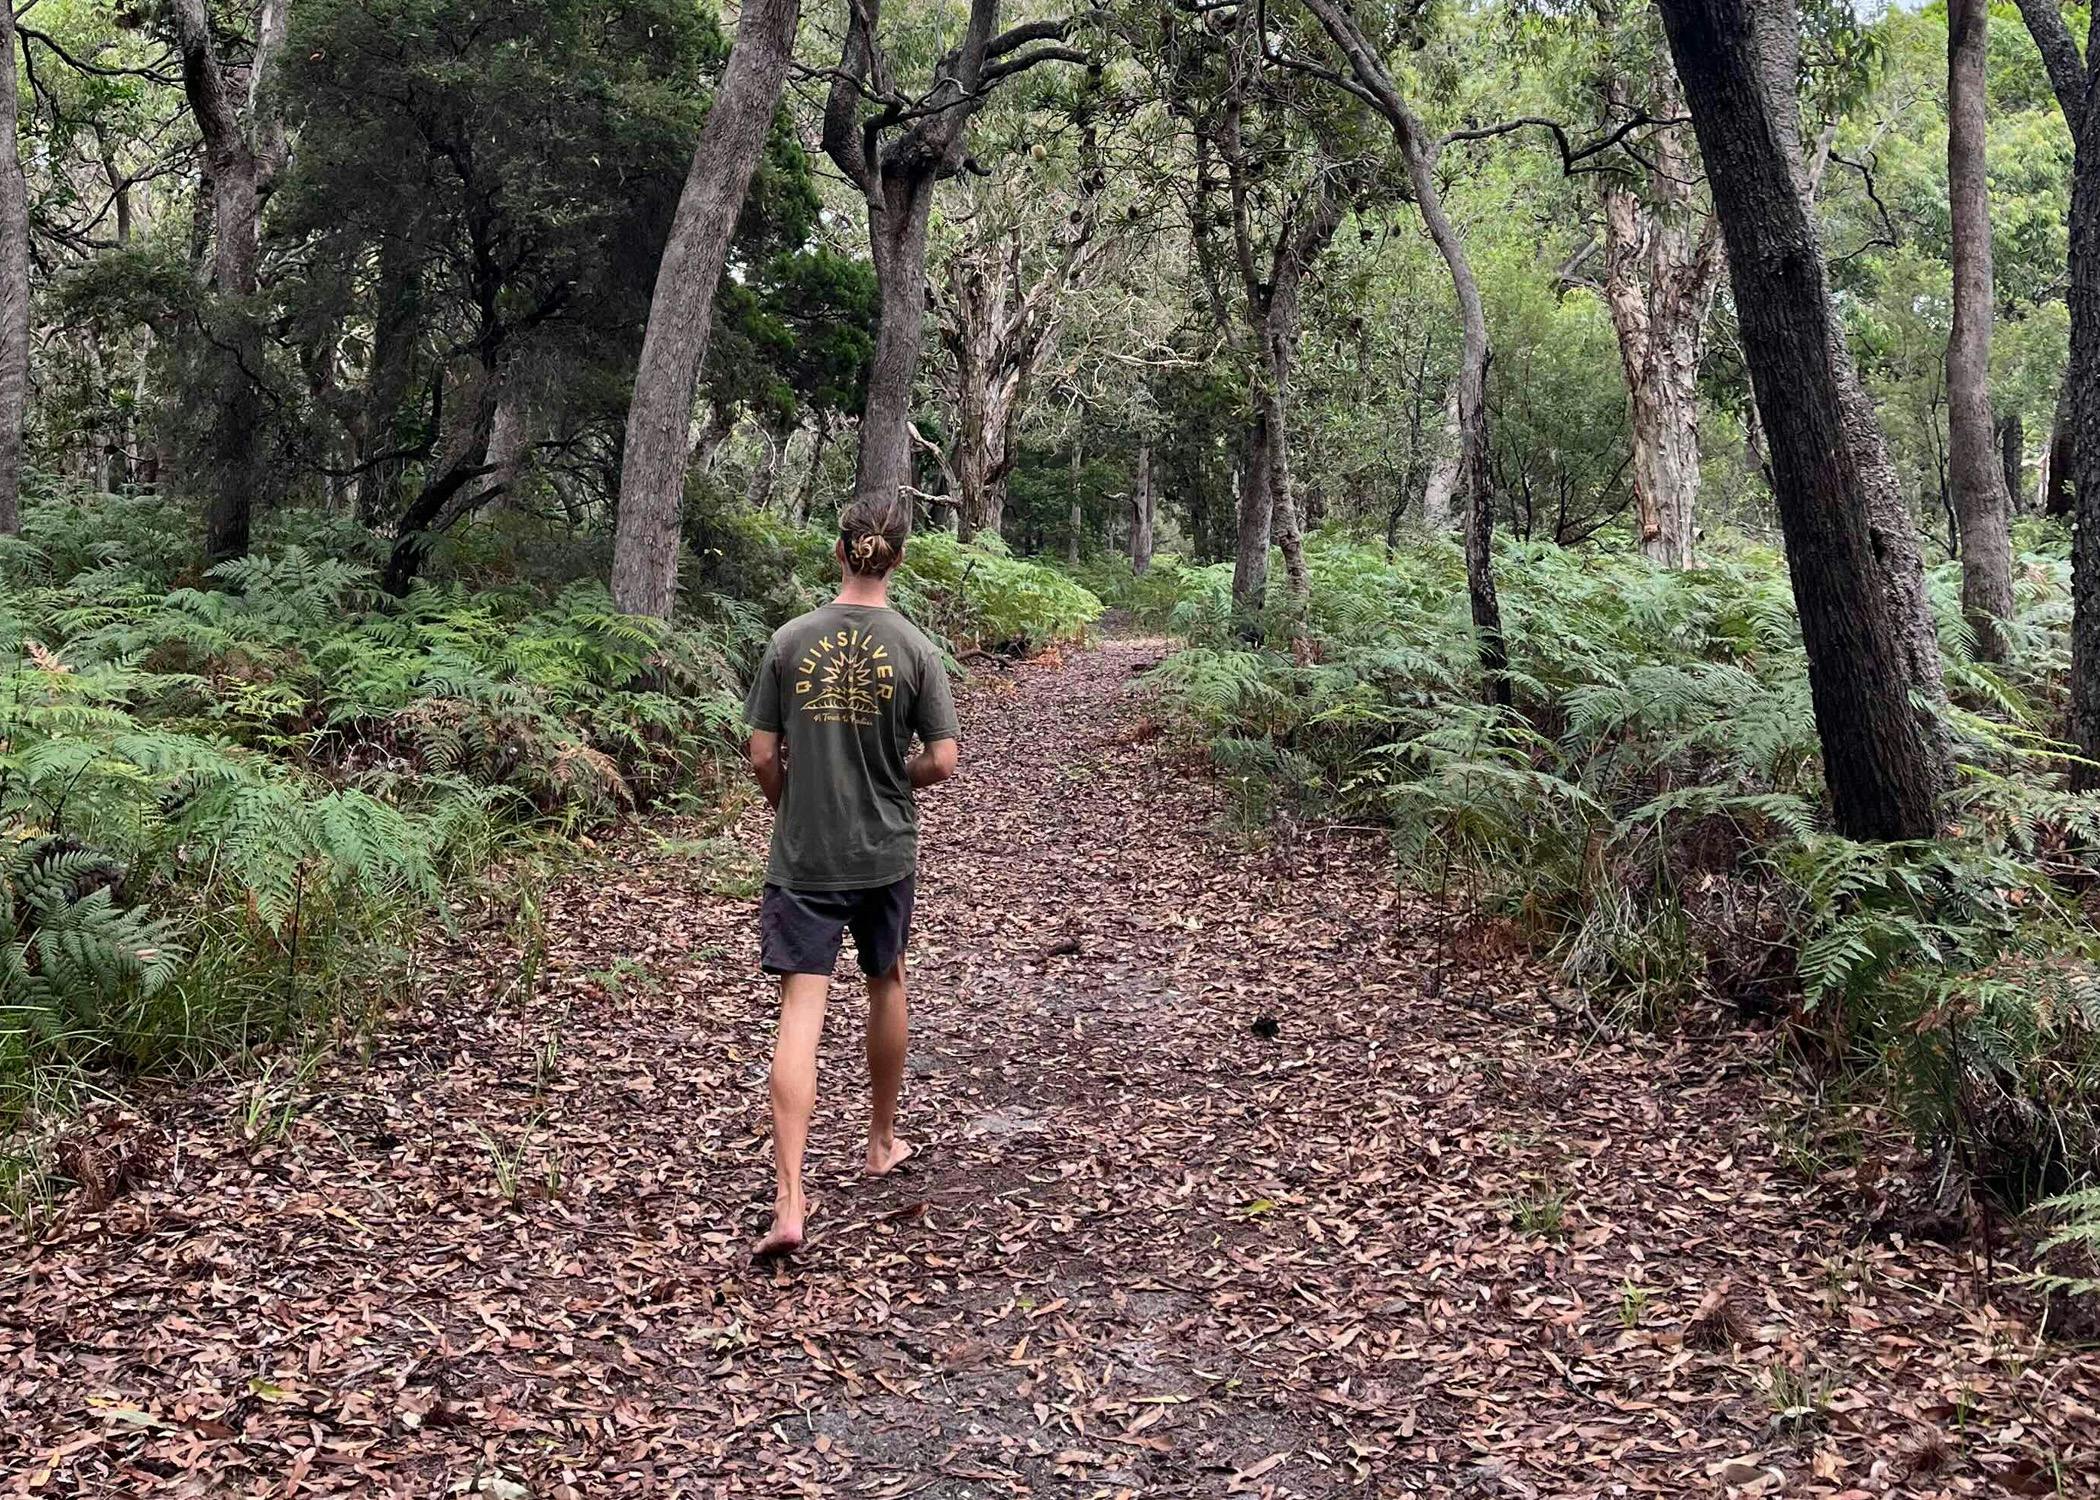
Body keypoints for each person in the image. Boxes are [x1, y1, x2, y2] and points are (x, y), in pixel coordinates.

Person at [741, 495, 959, 1258]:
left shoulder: (789, 641)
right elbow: (942, 758)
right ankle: (880, 1139)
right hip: (884, 851)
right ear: (897, 558)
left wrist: (788, 803)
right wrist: (889, 777)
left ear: (839, 553)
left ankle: (792, 1200)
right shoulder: (915, 648)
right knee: (886, 978)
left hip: (806, 852)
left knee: (802, 1006)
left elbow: (762, 753)